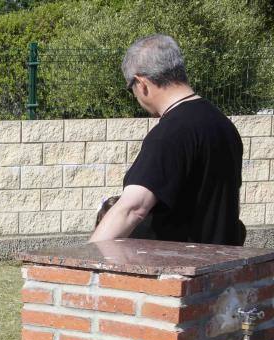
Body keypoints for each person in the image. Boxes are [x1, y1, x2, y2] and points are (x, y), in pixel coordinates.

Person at [90, 34, 244, 245]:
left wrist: (84, 264)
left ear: (141, 84)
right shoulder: (222, 125)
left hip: (181, 271)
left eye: (131, 89)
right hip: (220, 268)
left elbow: (132, 209)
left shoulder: (170, 134)